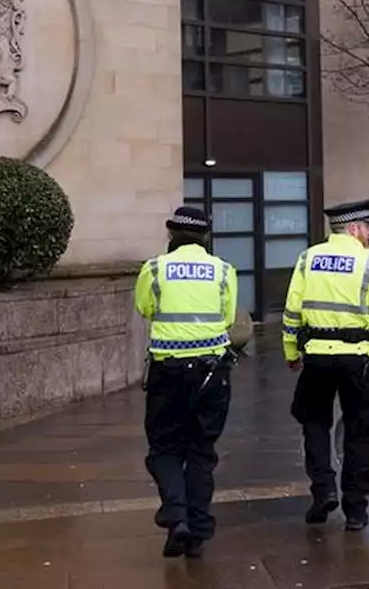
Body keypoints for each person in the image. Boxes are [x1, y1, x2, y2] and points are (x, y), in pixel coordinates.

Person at [281, 198, 369, 531]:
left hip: (317, 357)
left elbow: (292, 311)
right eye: (366, 228)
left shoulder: (308, 258)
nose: (368, 234)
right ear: (353, 228)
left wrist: (291, 352)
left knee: (313, 421)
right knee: (359, 431)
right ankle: (355, 510)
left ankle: (323, 490)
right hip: (357, 360)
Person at [134, 206, 239, 559]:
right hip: (212, 372)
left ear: (172, 235)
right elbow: (226, 317)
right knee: (201, 451)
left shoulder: (154, 269)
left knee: (164, 448)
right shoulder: (224, 270)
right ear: (205, 237)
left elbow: (145, 309)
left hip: (168, 371)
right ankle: (197, 530)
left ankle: (176, 517)